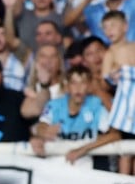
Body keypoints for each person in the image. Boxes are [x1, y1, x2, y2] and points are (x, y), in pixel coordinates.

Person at [66, 10, 135, 174]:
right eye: (89, 54)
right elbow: (116, 127)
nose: (96, 57)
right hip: (105, 152)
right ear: (84, 60)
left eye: (99, 50)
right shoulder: (87, 87)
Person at [30, 64, 109, 167]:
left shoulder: (96, 106)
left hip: (84, 166)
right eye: (74, 83)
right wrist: (43, 133)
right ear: (67, 86)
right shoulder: (54, 105)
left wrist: (82, 150)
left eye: (83, 83)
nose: (78, 88)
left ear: (89, 86)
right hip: (54, 165)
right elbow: (42, 126)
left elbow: (114, 135)